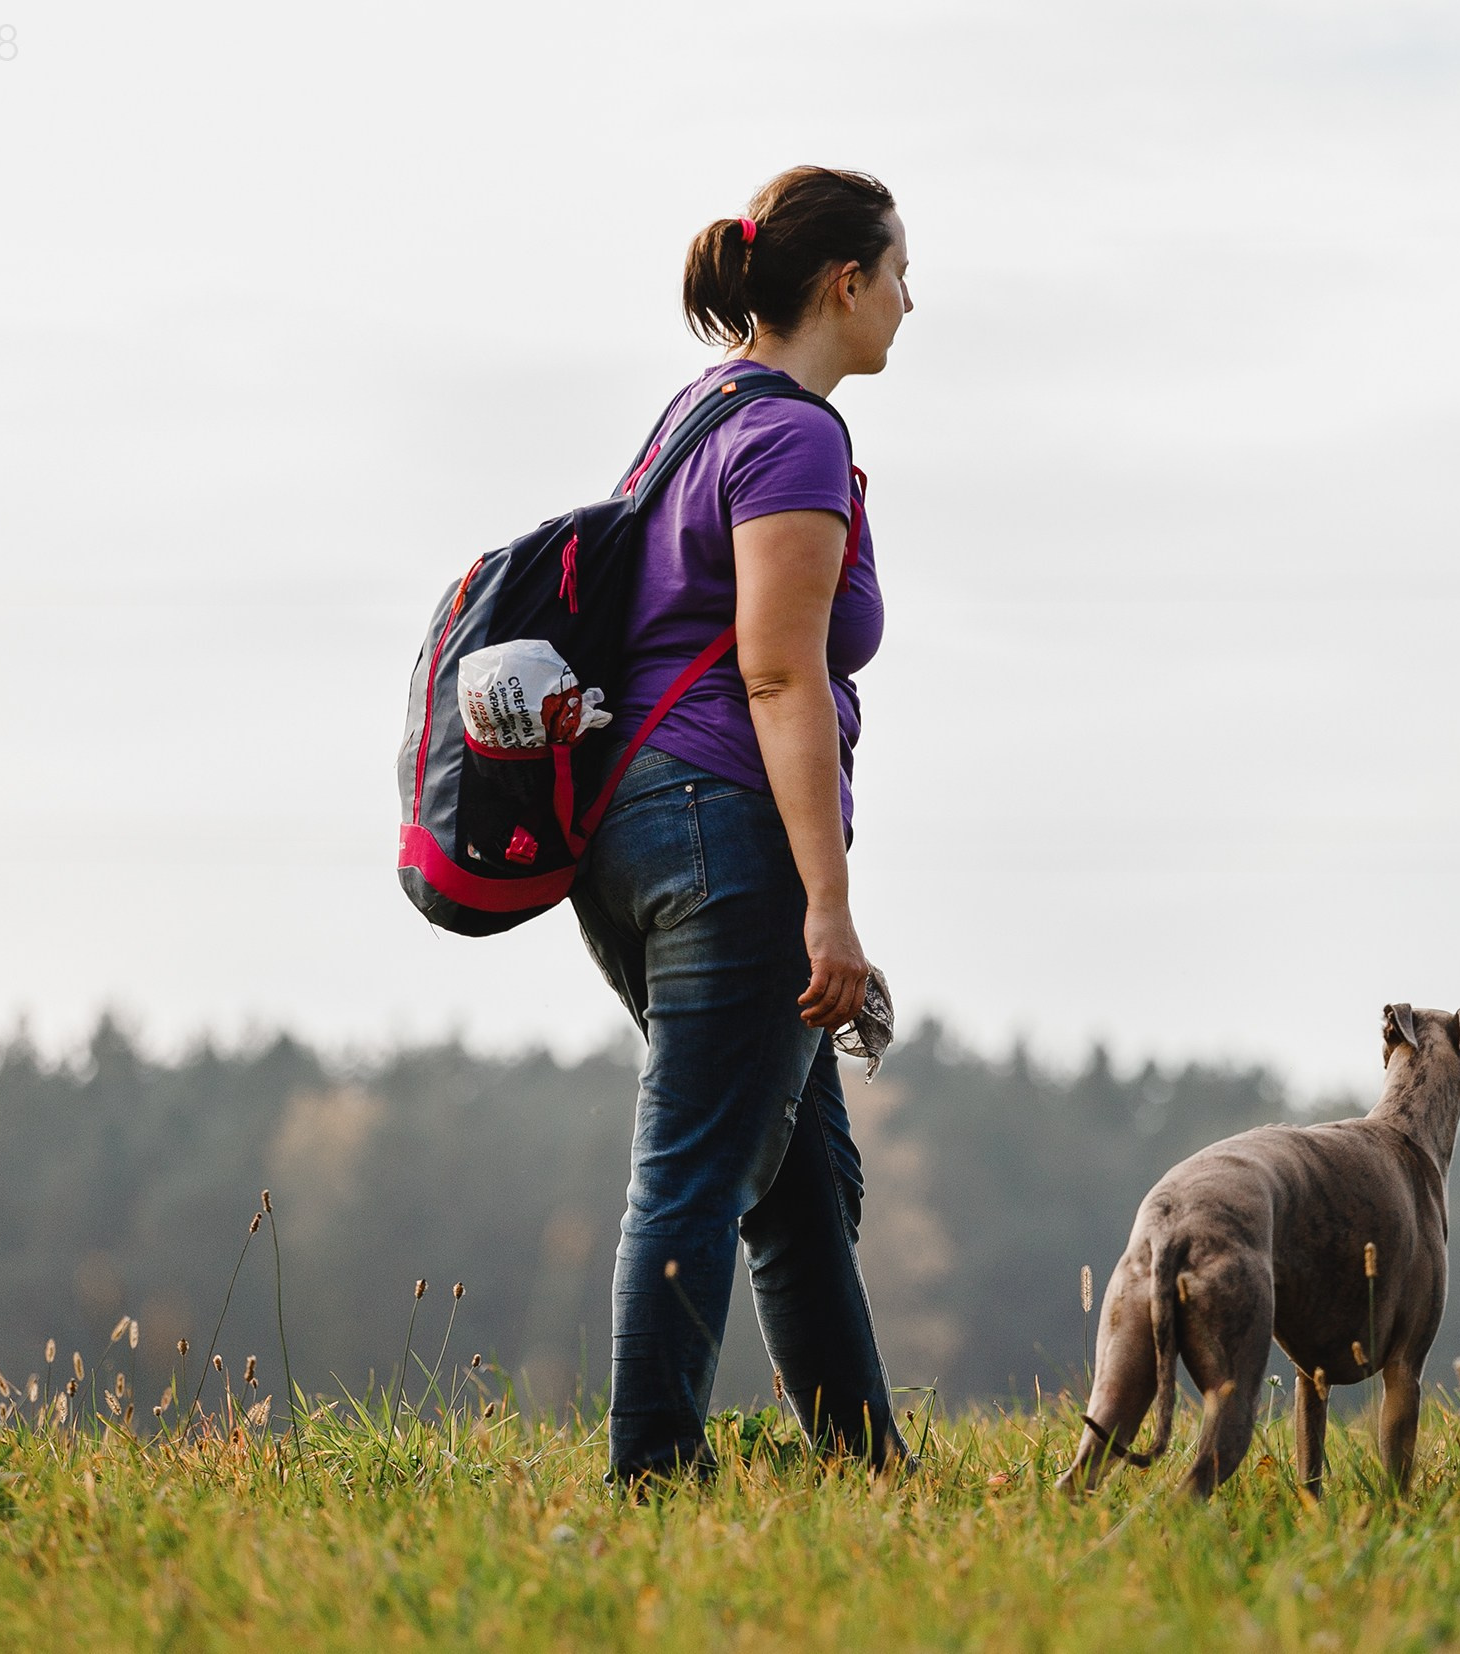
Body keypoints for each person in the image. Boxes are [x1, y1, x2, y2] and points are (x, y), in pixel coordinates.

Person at [574, 166, 914, 1482]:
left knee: (801, 1182)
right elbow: (778, 673)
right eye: (896, 272)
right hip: (728, 829)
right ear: (844, 283)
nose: (906, 300)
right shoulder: (794, 438)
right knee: (704, 1166)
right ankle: (653, 1470)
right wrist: (828, 905)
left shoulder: (695, 416)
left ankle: (866, 1467)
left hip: (634, 830)